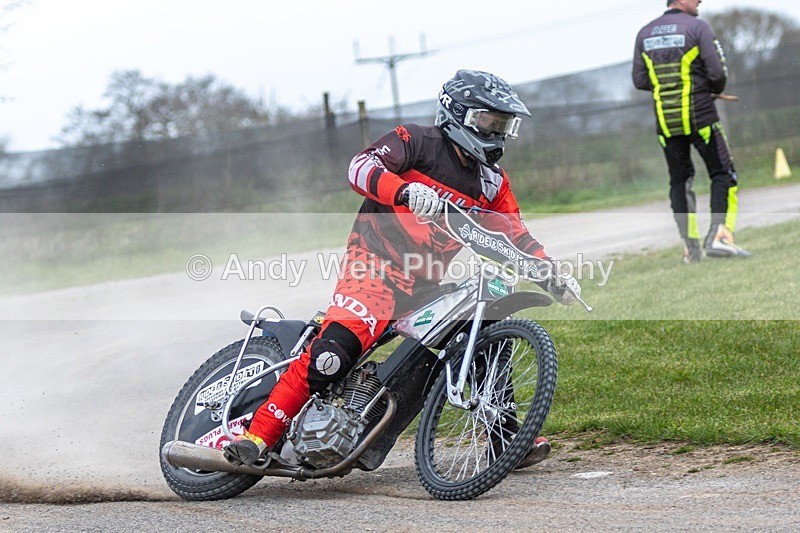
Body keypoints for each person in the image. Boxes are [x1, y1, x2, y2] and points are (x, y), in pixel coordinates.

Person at [223, 69, 581, 468]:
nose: (496, 134)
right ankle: (256, 436)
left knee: (483, 328)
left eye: (503, 126)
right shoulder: (416, 141)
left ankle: (505, 440)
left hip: (424, 282)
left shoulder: (492, 183)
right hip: (372, 265)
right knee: (335, 352)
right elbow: (359, 168)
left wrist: (551, 273)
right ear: (457, 114)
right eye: (488, 122)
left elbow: (515, 236)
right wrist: (404, 190)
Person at [632, 0, 751, 263]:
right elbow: (717, 73)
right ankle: (719, 238)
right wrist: (706, 88)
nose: (701, 1)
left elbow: (640, 80)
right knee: (723, 173)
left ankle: (692, 249)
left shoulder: (644, 33)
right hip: (702, 118)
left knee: (679, 181)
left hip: (667, 124)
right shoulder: (697, 28)